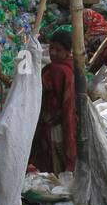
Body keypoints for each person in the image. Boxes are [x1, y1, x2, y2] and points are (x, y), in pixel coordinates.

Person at [30, 28, 77, 175]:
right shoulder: (70, 67)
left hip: (54, 127)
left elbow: (35, 88)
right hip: (65, 124)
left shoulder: (58, 70)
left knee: (52, 165)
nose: (53, 53)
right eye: (51, 48)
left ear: (67, 52)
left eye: (58, 50)